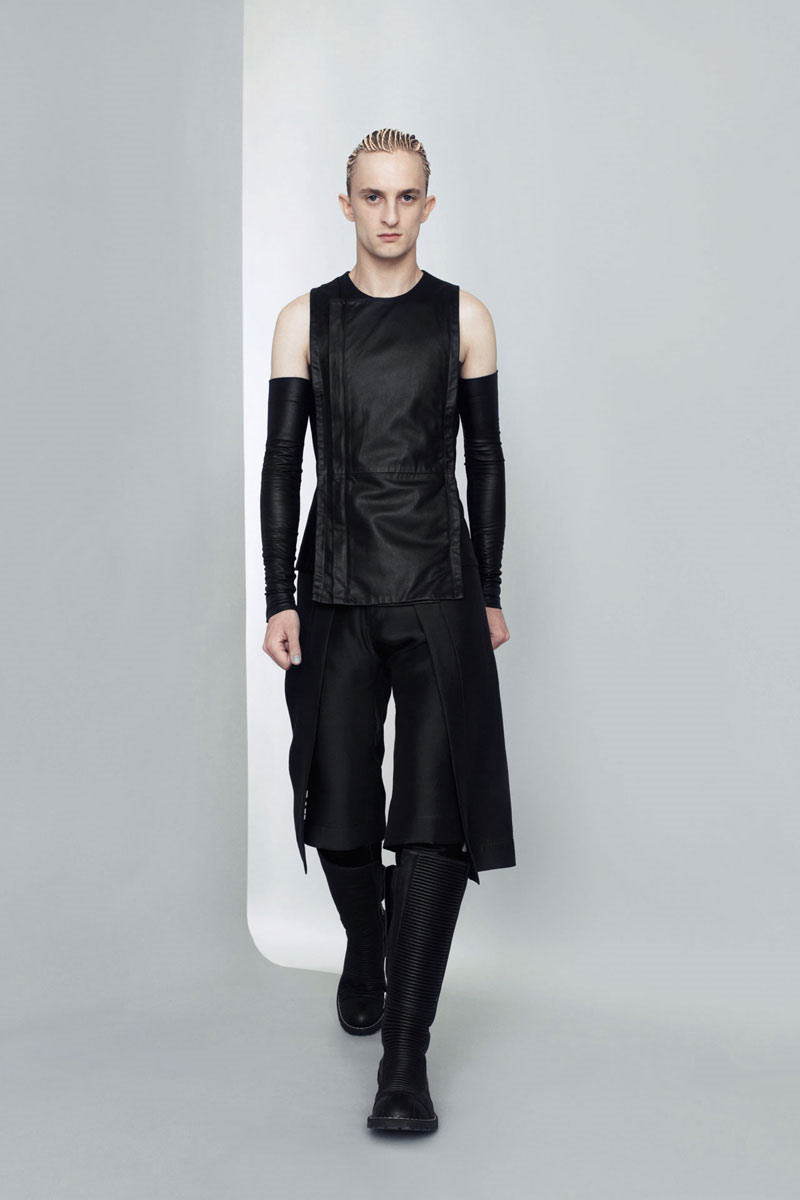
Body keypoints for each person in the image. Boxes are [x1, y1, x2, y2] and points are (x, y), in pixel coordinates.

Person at [260, 127, 516, 1134]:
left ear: (428, 205)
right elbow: (283, 464)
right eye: (373, 196)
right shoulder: (304, 320)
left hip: (438, 586)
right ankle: (365, 952)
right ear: (346, 205)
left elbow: (484, 459)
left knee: (431, 815)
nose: (390, 214)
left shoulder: (464, 317)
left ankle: (404, 1059)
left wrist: (487, 588)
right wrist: (278, 596)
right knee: (334, 803)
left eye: (407, 197)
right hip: (332, 584)